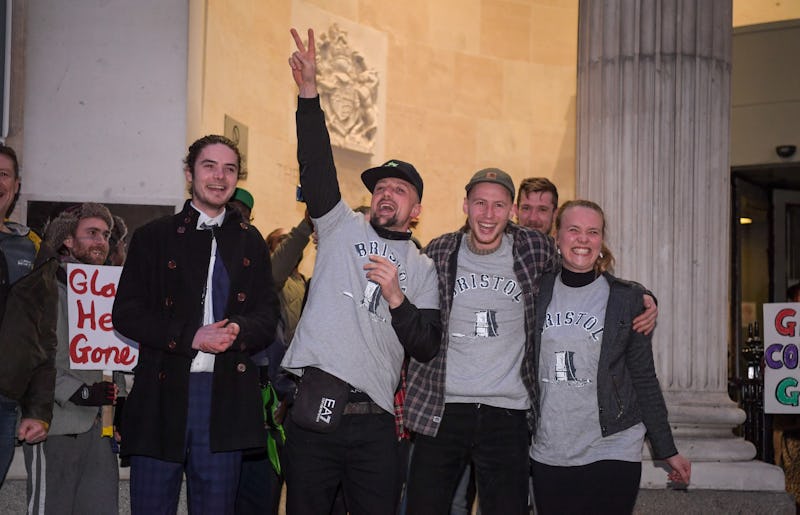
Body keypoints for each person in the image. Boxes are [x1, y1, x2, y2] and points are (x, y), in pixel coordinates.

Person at [282, 28, 441, 515]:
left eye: (400, 189)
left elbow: (427, 345)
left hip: (374, 423)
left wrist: (397, 297)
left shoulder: (423, 266)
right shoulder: (339, 227)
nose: (387, 193)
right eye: (381, 187)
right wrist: (310, 93)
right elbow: (315, 165)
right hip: (314, 412)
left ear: (416, 210)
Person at [112, 135, 280, 515]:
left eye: (230, 169)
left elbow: (267, 317)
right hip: (162, 393)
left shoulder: (251, 241)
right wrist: (191, 336)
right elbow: (126, 314)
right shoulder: (153, 237)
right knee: (151, 506)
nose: (219, 177)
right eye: (209, 166)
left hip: (224, 399)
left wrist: (238, 329)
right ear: (189, 173)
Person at [405, 168, 557, 514]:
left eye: (499, 205)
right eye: (480, 204)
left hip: (508, 413)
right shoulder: (440, 250)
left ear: (511, 210)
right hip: (442, 409)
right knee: (423, 507)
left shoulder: (534, 248)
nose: (488, 215)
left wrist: (639, 295)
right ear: (465, 205)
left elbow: (584, 267)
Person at [530, 199, 691, 514]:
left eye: (593, 232)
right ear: (557, 237)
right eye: (573, 230)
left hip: (613, 444)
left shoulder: (626, 299)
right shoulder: (536, 291)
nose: (582, 239)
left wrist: (667, 449)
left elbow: (644, 377)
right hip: (551, 446)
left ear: (601, 242)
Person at [24, 202, 120, 514]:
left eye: (105, 235)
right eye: (91, 233)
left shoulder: (109, 293)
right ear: (68, 240)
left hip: (100, 431)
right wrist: (77, 392)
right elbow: (33, 355)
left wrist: (120, 401)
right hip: (54, 425)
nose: (101, 241)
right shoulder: (45, 286)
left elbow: (113, 354)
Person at [235, 216, 313, 515]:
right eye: (279, 243)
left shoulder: (305, 283)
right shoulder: (269, 284)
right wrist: (304, 227)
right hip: (271, 397)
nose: (287, 248)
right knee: (262, 487)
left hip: (298, 397)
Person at [0, 144, 59, 487]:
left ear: (16, 185)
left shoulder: (34, 251)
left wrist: (38, 411)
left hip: (4, 404)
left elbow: (44, 340)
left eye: (4, 174)